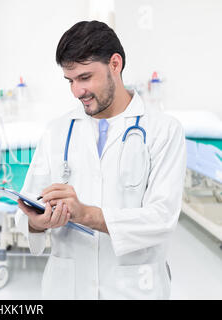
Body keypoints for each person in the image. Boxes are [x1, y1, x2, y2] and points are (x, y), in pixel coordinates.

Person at [15, 21, 186, 299]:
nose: (76, 91)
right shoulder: (57, 130)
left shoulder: (163, 130)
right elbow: (28, 207)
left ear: (115, 64)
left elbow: (162, 218)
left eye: (85, 77)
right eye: (70, 81)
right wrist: (39, 221)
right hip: (67, 286)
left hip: (134, 286)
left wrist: (87, 214)